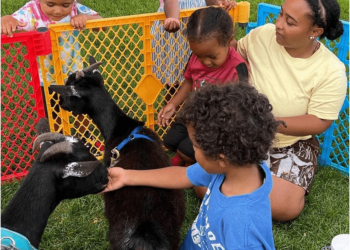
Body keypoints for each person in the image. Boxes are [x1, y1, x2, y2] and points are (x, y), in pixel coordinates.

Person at [103, 82, 283, 249]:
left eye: (195, 146)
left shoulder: (243, 228)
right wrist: (128, 176)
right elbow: (184, 175)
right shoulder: (239, 166)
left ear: (221, 158)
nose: (192, 150)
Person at [234, 0, 347, 221]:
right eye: (281, 15)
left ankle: (246, 180)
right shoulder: (262, 35)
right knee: (202, 181)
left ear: (315, 31)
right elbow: (233, 55)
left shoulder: (331, 70)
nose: (278, 24)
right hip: (243, 130)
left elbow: (319, 121)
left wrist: (270, 123)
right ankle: (248, 178)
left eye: (290, 22)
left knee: (282, 207)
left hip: (291, 143)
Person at [157, 7, 248, 183]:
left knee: (185, 150)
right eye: (200, 56)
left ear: (229, 41)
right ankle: (182, 159)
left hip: (215, 124)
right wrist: (173, 104)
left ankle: (185, 168)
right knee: (169, 141)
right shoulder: (195, 57)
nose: (205, 62)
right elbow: (189, 82)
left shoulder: (237, 67)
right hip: (192, 114)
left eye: (212, 56)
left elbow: (238, 107)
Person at [1, 0, 102, 136]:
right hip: (46, 78)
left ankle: (85, 137)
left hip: (75, 74)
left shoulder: (76, 8)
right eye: (50, 4)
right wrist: (7, 19)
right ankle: (61, 139)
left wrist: (85, 18)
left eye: (65, 5)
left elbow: (101, 23)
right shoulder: (32, 10)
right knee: (54, 113)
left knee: (82, 109)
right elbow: (14, 20)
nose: (58, 11)